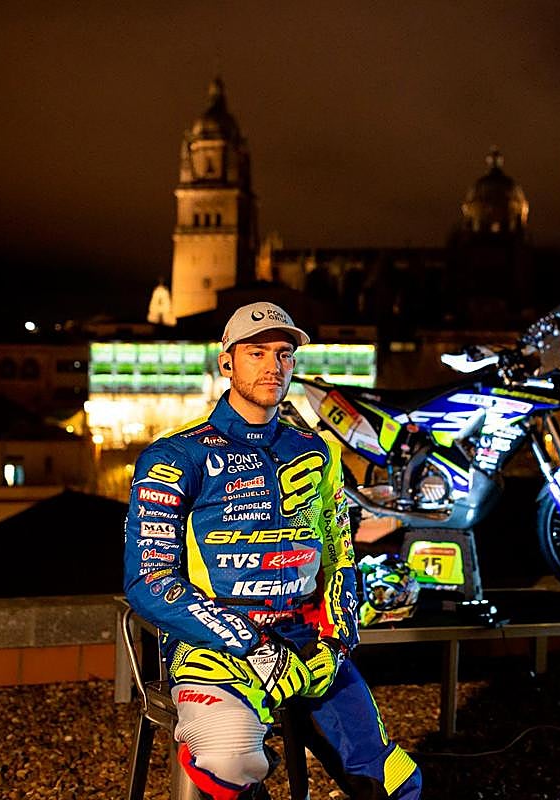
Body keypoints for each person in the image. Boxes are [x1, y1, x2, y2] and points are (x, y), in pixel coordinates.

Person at [124, 301, 421, 800]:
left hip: (308, 641)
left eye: (283, 354)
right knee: (228, 756)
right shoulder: (176, 454)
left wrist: (339, 639)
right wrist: (251, 646)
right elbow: (149, 582)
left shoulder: (314, 450)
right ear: (226, 363)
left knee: (395, 784)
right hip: (214, 647)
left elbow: (339, 554)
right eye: (256, 352)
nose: (272, 365)